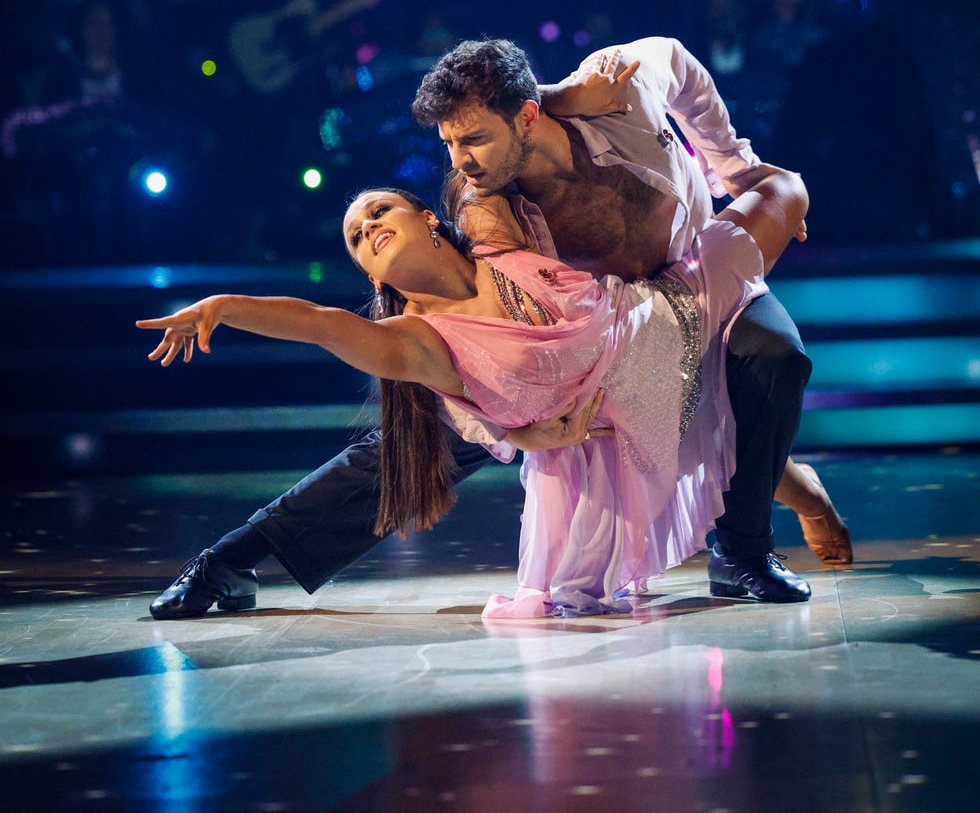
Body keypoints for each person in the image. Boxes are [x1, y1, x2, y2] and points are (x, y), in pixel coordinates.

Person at [145, 35, 849, 621]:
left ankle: (744, 548)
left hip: (695, 280)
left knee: (774, 356)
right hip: (571, 372)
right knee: (408, 445)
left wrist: (735, 168)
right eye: (451, 144)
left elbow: (681, 66)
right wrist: (511, 429)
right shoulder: (488, 209)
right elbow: (419, 324)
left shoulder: (617, 91)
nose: (460, 160)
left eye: (474, 137)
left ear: (527, 118)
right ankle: (231, 560)